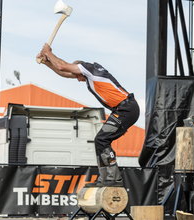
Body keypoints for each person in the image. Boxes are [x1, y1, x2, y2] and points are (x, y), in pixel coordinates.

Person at [37, 44, 140, 187]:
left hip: (127, 108)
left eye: (76, 74)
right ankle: (105, 179)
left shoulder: (89, 68)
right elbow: (63, 72)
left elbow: (63, 67)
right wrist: (46, 62)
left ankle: (114, 178)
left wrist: (48, 52)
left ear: (79, 69)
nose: (77, 79)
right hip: (122, 109)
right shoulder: (89, 76)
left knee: (102, 139)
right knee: (100, 141)